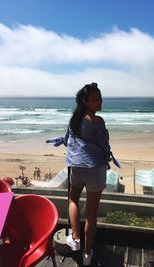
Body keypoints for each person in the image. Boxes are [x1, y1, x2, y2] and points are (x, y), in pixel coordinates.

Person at [65, 82, 111, 266]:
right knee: (91, 214)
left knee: (73, 200)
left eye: (100, 99)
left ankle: (75, 238)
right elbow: (104, 144)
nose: (99, 103)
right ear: (85, 101)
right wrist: (107, 155)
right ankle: (86, 254)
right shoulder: (97, 121)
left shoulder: (74, 119)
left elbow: (68, 140)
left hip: (76, 167)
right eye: (94, 99)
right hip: (94, 169)